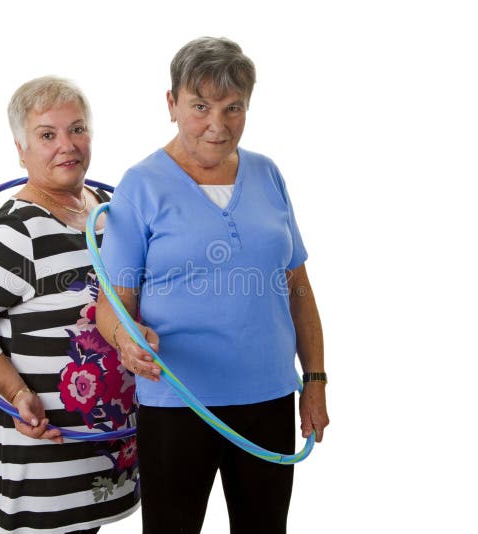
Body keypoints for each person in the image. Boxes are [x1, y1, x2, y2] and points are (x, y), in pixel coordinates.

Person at [95, 37, 329, 534]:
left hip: (268, 396)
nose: (217, 126)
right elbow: (112, 306)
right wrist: (125, 340)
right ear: (172, 103)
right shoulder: (141, 185)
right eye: (200, 106)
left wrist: (314, 382)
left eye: (233, 108)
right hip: (177, 402)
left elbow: (300, 292)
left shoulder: (268, 175)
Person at [0, 76, 138, 534]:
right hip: (41, 458)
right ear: (21, 149)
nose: (66, 145)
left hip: (103, 454)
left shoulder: (110, 211)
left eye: (78, 129)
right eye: (47, 135)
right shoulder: (16, 234)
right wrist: (14, 393)